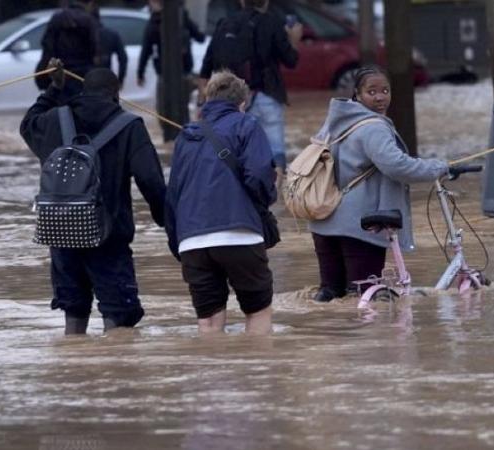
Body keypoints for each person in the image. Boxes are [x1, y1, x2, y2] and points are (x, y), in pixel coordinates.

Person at [20, 62, 167, 334]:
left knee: (74, 312)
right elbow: (150, 180)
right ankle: (112, 370)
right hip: (108, 236)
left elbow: (28, 123)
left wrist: (54, 89)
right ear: (116, 95)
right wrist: (166, 220)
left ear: (83, 90)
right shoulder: (129, 126)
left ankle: (76, 369)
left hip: (62, 234)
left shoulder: (53, 119)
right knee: (119, 317)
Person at [308, 66, 449, 303]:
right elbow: (398, 166)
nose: (380, 97)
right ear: (357, 95)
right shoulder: (374, 126)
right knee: (365, 297)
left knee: (331, 298)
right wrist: (439, 167)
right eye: (372, 91)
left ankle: (326, 338)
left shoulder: (333, 123)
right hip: (361, 225)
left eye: (385, 90)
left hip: (324, 221)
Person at [165, 71, 277, 335]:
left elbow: (172, 194)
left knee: (209, 323)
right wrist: (265, 203)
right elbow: (259, 176)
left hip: (192, 241)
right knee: (257, 312)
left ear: (206, 100)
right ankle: (260, 374)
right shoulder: (247, 125)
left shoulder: (186, 136)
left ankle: (213, 372)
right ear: (242, 103)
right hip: (240, 235)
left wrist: (178, 243)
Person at [199, 0, 302, 175]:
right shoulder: (272, 22)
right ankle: (275, 194)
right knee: (274, 148)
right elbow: (290, 60)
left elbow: (206, 67)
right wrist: (294, 40)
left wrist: (202, 102)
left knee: (235, 147)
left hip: (230, 98)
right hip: (266, 94)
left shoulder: (224, 23)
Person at [137, 0, 205, 139]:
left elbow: (200, 37)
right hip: (166, 74)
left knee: (179, 109)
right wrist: (140, 71)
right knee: (165, 110)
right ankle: (173, 137)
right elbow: (147, 49)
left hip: (181, 73)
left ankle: (182, 137)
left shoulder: (179, 18)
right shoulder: (155, 22)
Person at [34, 0, 99, 99]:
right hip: (82, 75)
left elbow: (48, 47)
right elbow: (95, 49)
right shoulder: (89, 20)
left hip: (60, 73)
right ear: (89, 4)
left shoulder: (57, 18)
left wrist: (44, 72)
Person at [92, 8, 127, 84]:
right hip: (106, 78)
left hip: (83, 78)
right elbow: (123, 59)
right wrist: (120, 79)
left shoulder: (80, 35)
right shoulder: (111, 34)